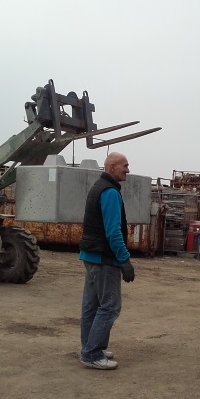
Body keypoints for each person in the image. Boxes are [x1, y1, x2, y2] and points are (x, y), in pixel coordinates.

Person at [78, 152, 135, 370]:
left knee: (91, 307)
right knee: (110, 306)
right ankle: (92, 353)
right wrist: (124, 260)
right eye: (125, 166)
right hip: (104, 258)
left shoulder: (97, 187)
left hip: (91, 255)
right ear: (112, 167)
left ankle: (90, 347)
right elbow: (113, 231)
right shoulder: (110, 192)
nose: (128, 170)